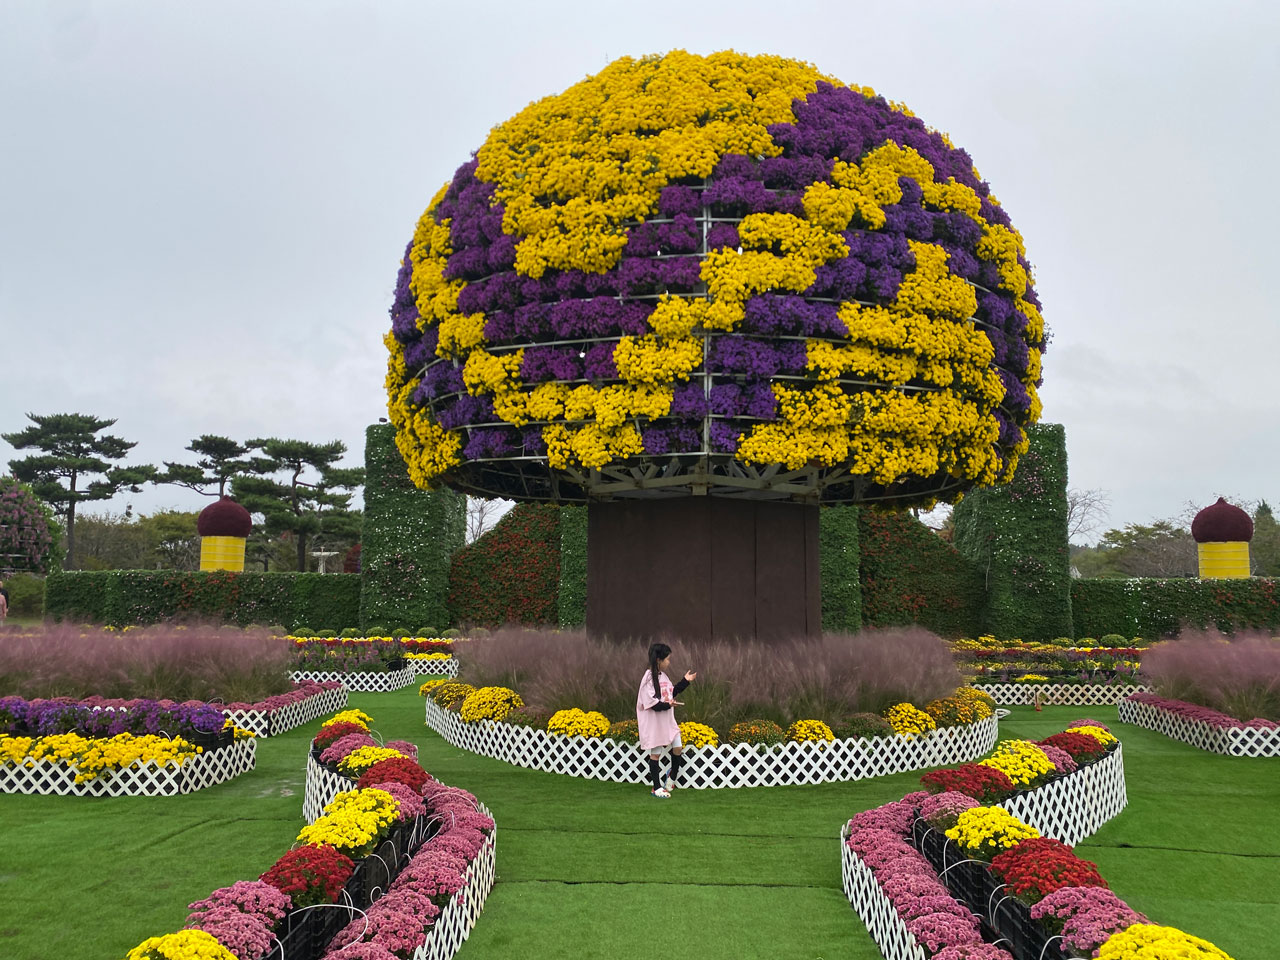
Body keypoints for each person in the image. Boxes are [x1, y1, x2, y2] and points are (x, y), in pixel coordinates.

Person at [636, 641, 696, 798]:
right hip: (655, 724)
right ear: (658, 660)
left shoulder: (663, 676)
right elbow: (652, 704)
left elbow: (671, 692)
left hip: (668, 721)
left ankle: (672, 776)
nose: (669, 662)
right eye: (667, 659)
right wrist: (668, 705)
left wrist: (685, 681)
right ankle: (656, 788)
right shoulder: (648, 679)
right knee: (655, 754)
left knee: (678, 747)